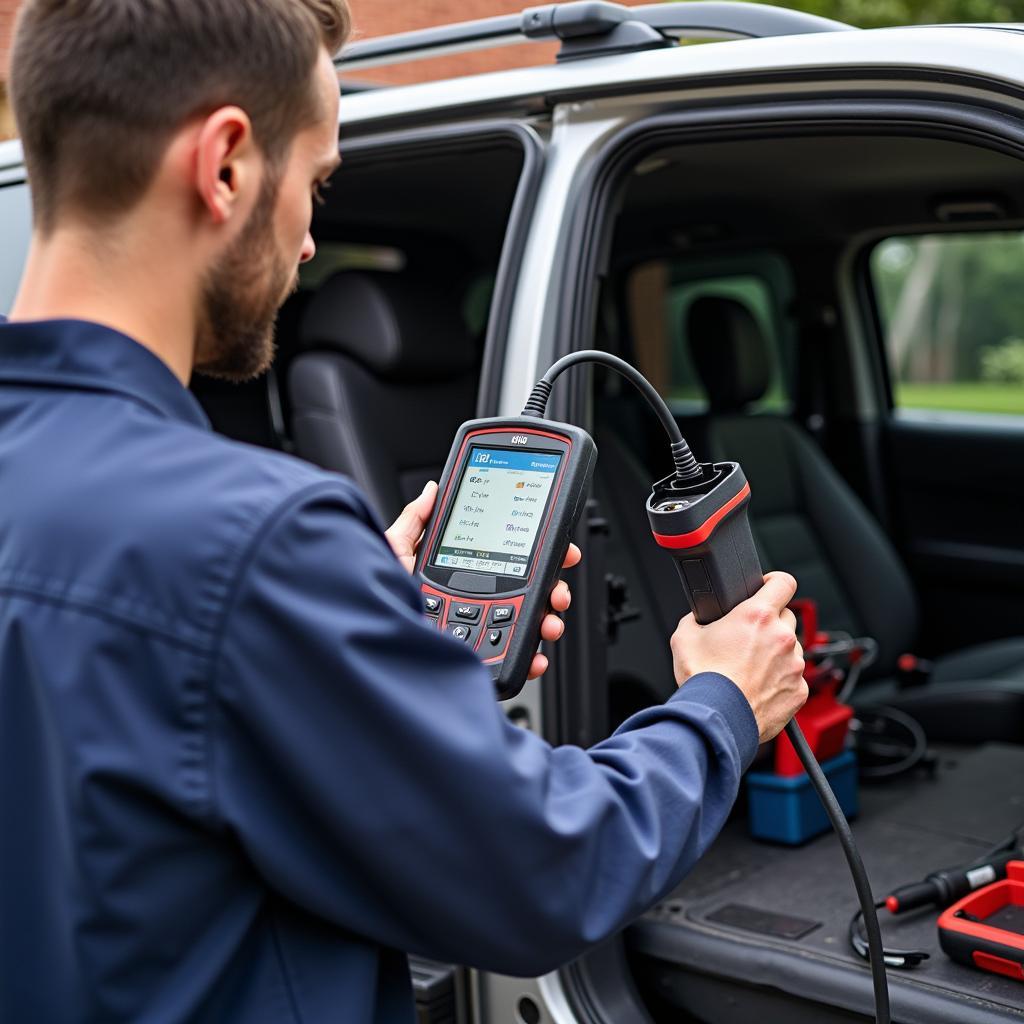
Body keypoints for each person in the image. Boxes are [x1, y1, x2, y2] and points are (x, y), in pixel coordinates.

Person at [0, 1, 808, 1021]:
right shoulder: (249, 546)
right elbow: (539, 872)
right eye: (317, 182)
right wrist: (721, 704)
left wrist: (350, 615)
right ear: (226, 165)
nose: (306, 243)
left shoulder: (222, 554)